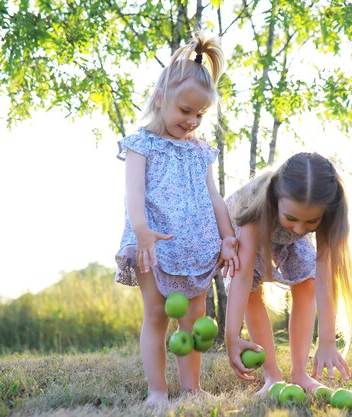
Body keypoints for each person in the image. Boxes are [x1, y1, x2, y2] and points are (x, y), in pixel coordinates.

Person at [114, 32, 238, 405]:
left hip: (196, 248)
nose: (192, 121)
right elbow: (133, 194)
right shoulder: (141, 145)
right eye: (185, 112)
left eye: (199, 115)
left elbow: (214, 198)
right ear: (160, 99)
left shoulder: (200, 152)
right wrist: (141, 232)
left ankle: (192, 388)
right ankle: (157, 391)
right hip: (153, 245)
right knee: (156, 314)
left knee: (193, 320)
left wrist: (228, 237)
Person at [224, 152, 352, 394]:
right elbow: (242, 275)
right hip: (246, 232)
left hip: (283, 240)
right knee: (251, 293)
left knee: (307, 282)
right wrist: (231, 335)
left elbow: (324, 279)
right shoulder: (256, 203)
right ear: (277, 197)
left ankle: (299, 374)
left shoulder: (320, 219)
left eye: (311, 222)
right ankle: (272, 376)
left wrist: (327, 341)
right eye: (292, 217)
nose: (301, 229)